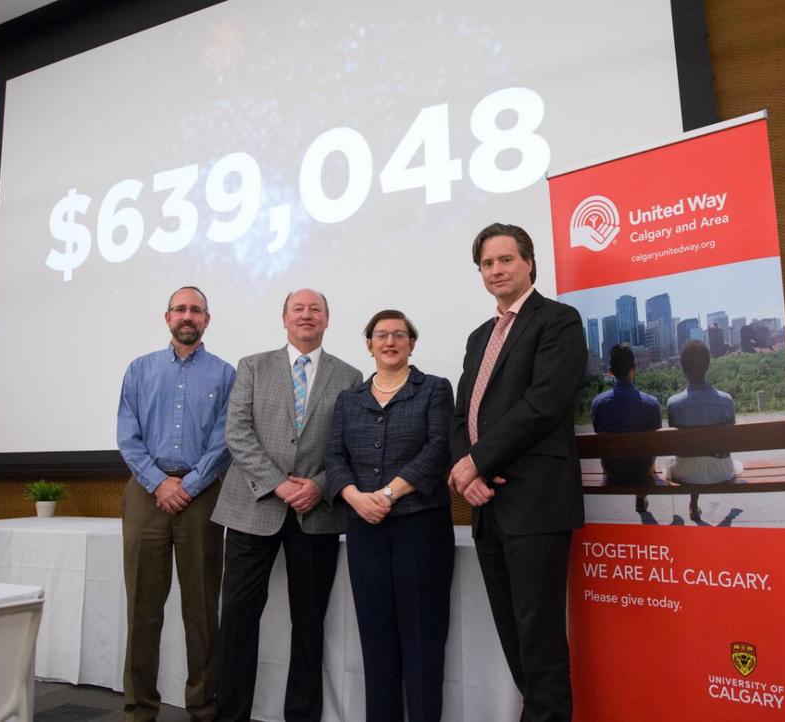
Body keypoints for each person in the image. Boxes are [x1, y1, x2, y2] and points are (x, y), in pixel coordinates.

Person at [448, 223, 587, 722]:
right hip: (487, 506)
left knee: (539, 633)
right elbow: (462, 415)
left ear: (529, 262)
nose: (496, 270)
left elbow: (544, 403)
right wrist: (469, 471)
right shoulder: (478, 337)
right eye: (487, 263)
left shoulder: (558, 320)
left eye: (506, 259)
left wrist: (479, 460)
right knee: (511, 631)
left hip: (536, 503)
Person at [210, 289, 362, 722]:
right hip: (252, 507)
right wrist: (278, 485)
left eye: (316, 309)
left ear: (328, 320)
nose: (307, 315)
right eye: (299, 308)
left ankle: (302, 714)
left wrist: (318, 485)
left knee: (309, 624)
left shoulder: (349, 376)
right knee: (238, 620)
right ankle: (231, 715)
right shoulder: (253, 366)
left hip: (317, 513)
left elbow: (349, 445)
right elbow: (237, 433)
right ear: (284, 318)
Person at [324, 310, 455, 722]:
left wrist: (384, 494)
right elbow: (334, 456)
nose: (390, 341)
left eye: (399, 334)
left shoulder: (434, 389)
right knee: (376, 641)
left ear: (412, 344)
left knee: (422, 643)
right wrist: (354, 498)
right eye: (381, 335)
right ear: (369, 344)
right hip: (366, 531)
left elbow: (438, 450)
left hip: (421, 528)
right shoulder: (349, 400)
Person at [116, 286, 236, 722]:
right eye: (180, 309)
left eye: (196, 310)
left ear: (207, 320)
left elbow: (227, 439)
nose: (188, 315)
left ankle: (203, 706)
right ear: (167, 317)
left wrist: (189, 484)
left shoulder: (226, 375)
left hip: (202, 497)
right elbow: (127, 437)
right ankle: (139, 706)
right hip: (145, 494)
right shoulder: (139, 370)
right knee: (142, 607)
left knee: (202, 609)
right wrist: (158, 483)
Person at [664, 339, 744, 520]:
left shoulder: (673, 404)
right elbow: (728, 443)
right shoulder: (726, 401)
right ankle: (699, 507)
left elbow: (679, 448)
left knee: (689, 459)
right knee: (709, 459)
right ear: (707, 366)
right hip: (720, 471)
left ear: (683, 368)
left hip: (685, 473)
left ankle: (693, 503)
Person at [590, 344, 663, 513]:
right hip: (642, 471)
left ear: (611, 372)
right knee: (646, 457)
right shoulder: (651, 403)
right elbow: (656, 444)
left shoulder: (597, 404)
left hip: (612, 471)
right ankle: (640, 497)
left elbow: (597, 431)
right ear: (634, 369)